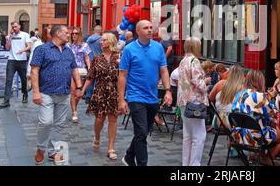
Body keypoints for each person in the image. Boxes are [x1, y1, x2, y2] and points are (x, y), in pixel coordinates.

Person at [118, 20, 172, 166]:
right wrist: (121, 99)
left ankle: (129, 156)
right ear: (138, 31)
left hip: (152, 97)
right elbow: (122, 75)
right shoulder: (129, 49)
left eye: (150, 28)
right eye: (145, 28)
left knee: (142, 133)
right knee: (141, 133)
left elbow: (163, 70)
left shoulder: (158, 47)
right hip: (135, 96)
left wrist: (168, 90)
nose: (149, 30)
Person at [30, 25, 83, 165]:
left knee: (59, 124)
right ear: (58, 34)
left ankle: (54, 152)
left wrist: (79, 86)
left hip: (64, 93)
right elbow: (34, 70)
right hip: (46, 92)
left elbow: (74, 69)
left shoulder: (68, 51)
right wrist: (35, 92)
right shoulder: (42, 49)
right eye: (66, 33)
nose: (69, 35)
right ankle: (41, 148)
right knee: (46, 122)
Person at [78, 33, 121, 160]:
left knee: (113, 120)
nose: (101, 43)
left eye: (103, 40)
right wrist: (83, 90)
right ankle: (97, 137)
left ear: (111, 42)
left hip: (114, 91)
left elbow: (124, 76)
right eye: (101, 40)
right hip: (100, 91)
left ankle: (111, 148)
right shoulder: (97, 58)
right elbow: (90, 76)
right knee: (99, 119)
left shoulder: (119, 57)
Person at [231, 69, 280, 166]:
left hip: (238, 135)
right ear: (260, 81)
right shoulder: (260, 96)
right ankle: (267, 158)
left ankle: (260, 156)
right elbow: (273, 115)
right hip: (254, 138)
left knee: (260, 126)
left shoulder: (238, 95)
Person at [177, 37, 210, 166]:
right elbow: (197, 82)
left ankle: (186, 163)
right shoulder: (194, 61)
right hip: (194, 101)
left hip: (183, 100)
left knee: (188, 135)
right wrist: (205, 82)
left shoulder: (182, 61)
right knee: (199, 135)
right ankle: (195, 164)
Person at [0, 22, 31, 108]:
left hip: (22, 60)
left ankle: (25, 93)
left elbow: (29, 46)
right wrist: (10, 38)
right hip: (11, 60)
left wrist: (22, 50)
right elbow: (7, 47)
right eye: (13, 27)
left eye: (16, 27)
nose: (14, 28)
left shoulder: (25, 35)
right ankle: (6, 101)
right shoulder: (9, 36)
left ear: (19, 26)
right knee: (8, 80)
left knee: (24, 80)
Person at [209, 64, 245, 129]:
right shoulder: (243, 88)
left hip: (218, 121)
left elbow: (210, 99)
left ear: (229, 73)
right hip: (234, 123)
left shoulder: (220, 83)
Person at [68, 27, 92, 123]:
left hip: (81, 71)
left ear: (80, 35)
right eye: (73, 33)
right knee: (73, 91)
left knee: (78, 94)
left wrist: (90, 68)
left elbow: (86, 58)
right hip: (70, 71)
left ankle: (74, 107)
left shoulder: (85, 45)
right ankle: (74, 112)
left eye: (76, 33)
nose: (74, 35)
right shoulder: (68, 46)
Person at [85, 25, 103, 102]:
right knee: (98, 79)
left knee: (90, 78)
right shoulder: (101, 40)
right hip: (99, 60)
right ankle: (96, 96)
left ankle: (88, 96)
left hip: (89, 60)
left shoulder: (88, 39)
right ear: (100, 31)